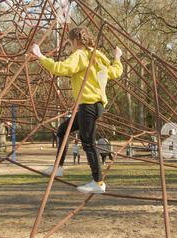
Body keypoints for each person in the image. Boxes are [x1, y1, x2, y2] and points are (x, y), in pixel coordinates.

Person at [31, 27, 123, 194]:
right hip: (95, 106)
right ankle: (58, 166)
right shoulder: (97, 58)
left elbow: (61, 68)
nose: (70, 47)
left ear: (75, 41)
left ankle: (98, 182)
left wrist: (41, 57)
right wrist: (117, 57)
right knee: (62, 130)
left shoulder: (80, 55)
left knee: (87, 142)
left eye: (70, 43)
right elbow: (115, 72)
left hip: (88, 105)